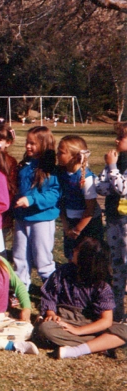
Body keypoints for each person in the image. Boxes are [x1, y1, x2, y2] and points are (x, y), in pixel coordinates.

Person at [35, 237, 127, 359]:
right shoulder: (62, 272)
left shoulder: (102, 286)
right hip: (64, 319)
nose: (73, 250)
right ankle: (102, 344)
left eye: (78, 250)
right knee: (45, 329)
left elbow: (106, 320)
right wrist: (51, 313)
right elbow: (49, 296)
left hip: (90, 322)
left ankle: (77, 350)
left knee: (124, 330)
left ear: (87, 259)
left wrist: (78, 331)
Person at [13, 126, 60, 290]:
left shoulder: (51, 169)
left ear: (44, 145)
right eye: (27, 142)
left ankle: (52, 292)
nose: (28, 146)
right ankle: (21, 290)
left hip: (41, 219)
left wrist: (32, 199)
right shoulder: (26, 165)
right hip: (21, 219)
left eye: (32, 143)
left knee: (42, 259)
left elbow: (54, 194)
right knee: (20, 257)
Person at [96, 121, 127, 321]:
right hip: (114, 220)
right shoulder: (116, 162)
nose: (116, 141)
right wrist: (111, 168)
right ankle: (116, 312)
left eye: (121, 138)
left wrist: (113, 167)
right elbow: (102, 188)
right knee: (116, 266)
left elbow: (123, 189)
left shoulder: (116, 164)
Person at [55, 136, 103, 261]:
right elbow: (62, 202)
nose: (57, 154)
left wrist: (77, 230)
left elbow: (90, 210)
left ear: (75, 157)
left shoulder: (86, 179)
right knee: (71, 257)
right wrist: (66, 225)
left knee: (88, 259)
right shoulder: (61, 174)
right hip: (70, 223)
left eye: (61, 152)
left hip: (87, 225)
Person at [0, 124, 19, 244]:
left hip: (3, 207)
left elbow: (12, 186)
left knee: (0, 240)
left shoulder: (10, 162)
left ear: (8, 142)